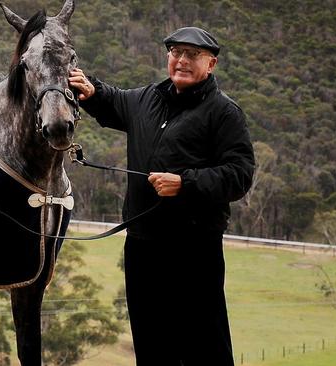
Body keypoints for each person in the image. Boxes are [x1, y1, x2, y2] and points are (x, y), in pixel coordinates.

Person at [69, 27, 254, 365]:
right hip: (142, 246)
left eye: (192, 55)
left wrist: (185, 182)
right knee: (151, 343)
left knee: (203, 344)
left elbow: (239, 175)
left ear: (210, 64)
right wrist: (91, 89)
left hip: (194, 248)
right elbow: (112, 99)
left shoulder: (225, 113)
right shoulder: (145, 99)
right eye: (175, 52)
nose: (181, 60)